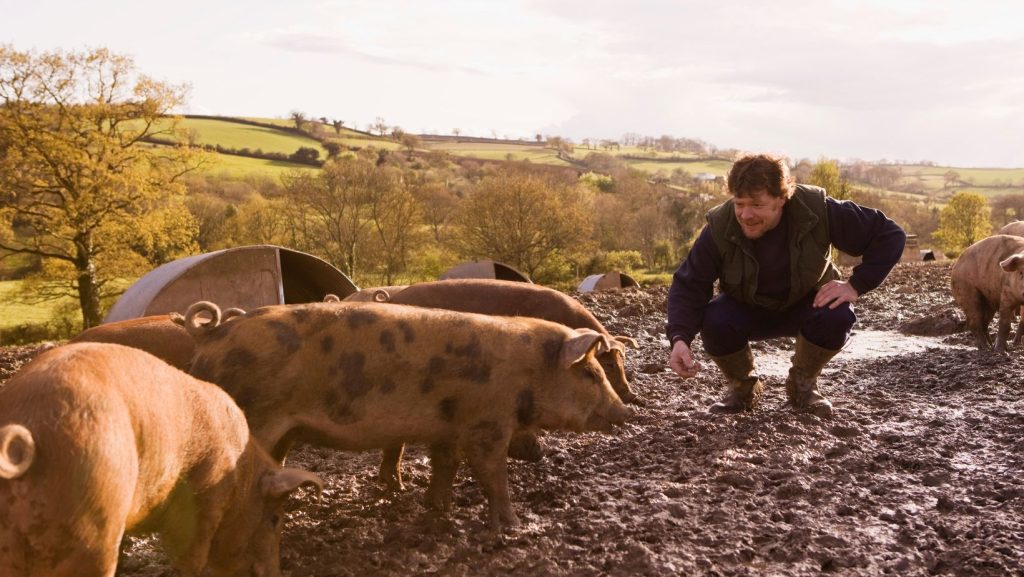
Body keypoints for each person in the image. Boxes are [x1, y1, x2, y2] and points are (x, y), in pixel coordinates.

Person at [665, 153, 906, 417]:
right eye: (739, 203)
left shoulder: (818, 210)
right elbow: (689, 285)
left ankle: (802, 385)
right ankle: (743, 388)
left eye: (757, 204)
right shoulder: (719, 226)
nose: (745, 214)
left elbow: (889, 235)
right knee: (714, 318)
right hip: (746, 309)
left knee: (837, 314)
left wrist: (855, 285)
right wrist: (679, 339)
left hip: (808, 304)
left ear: (781, 198)